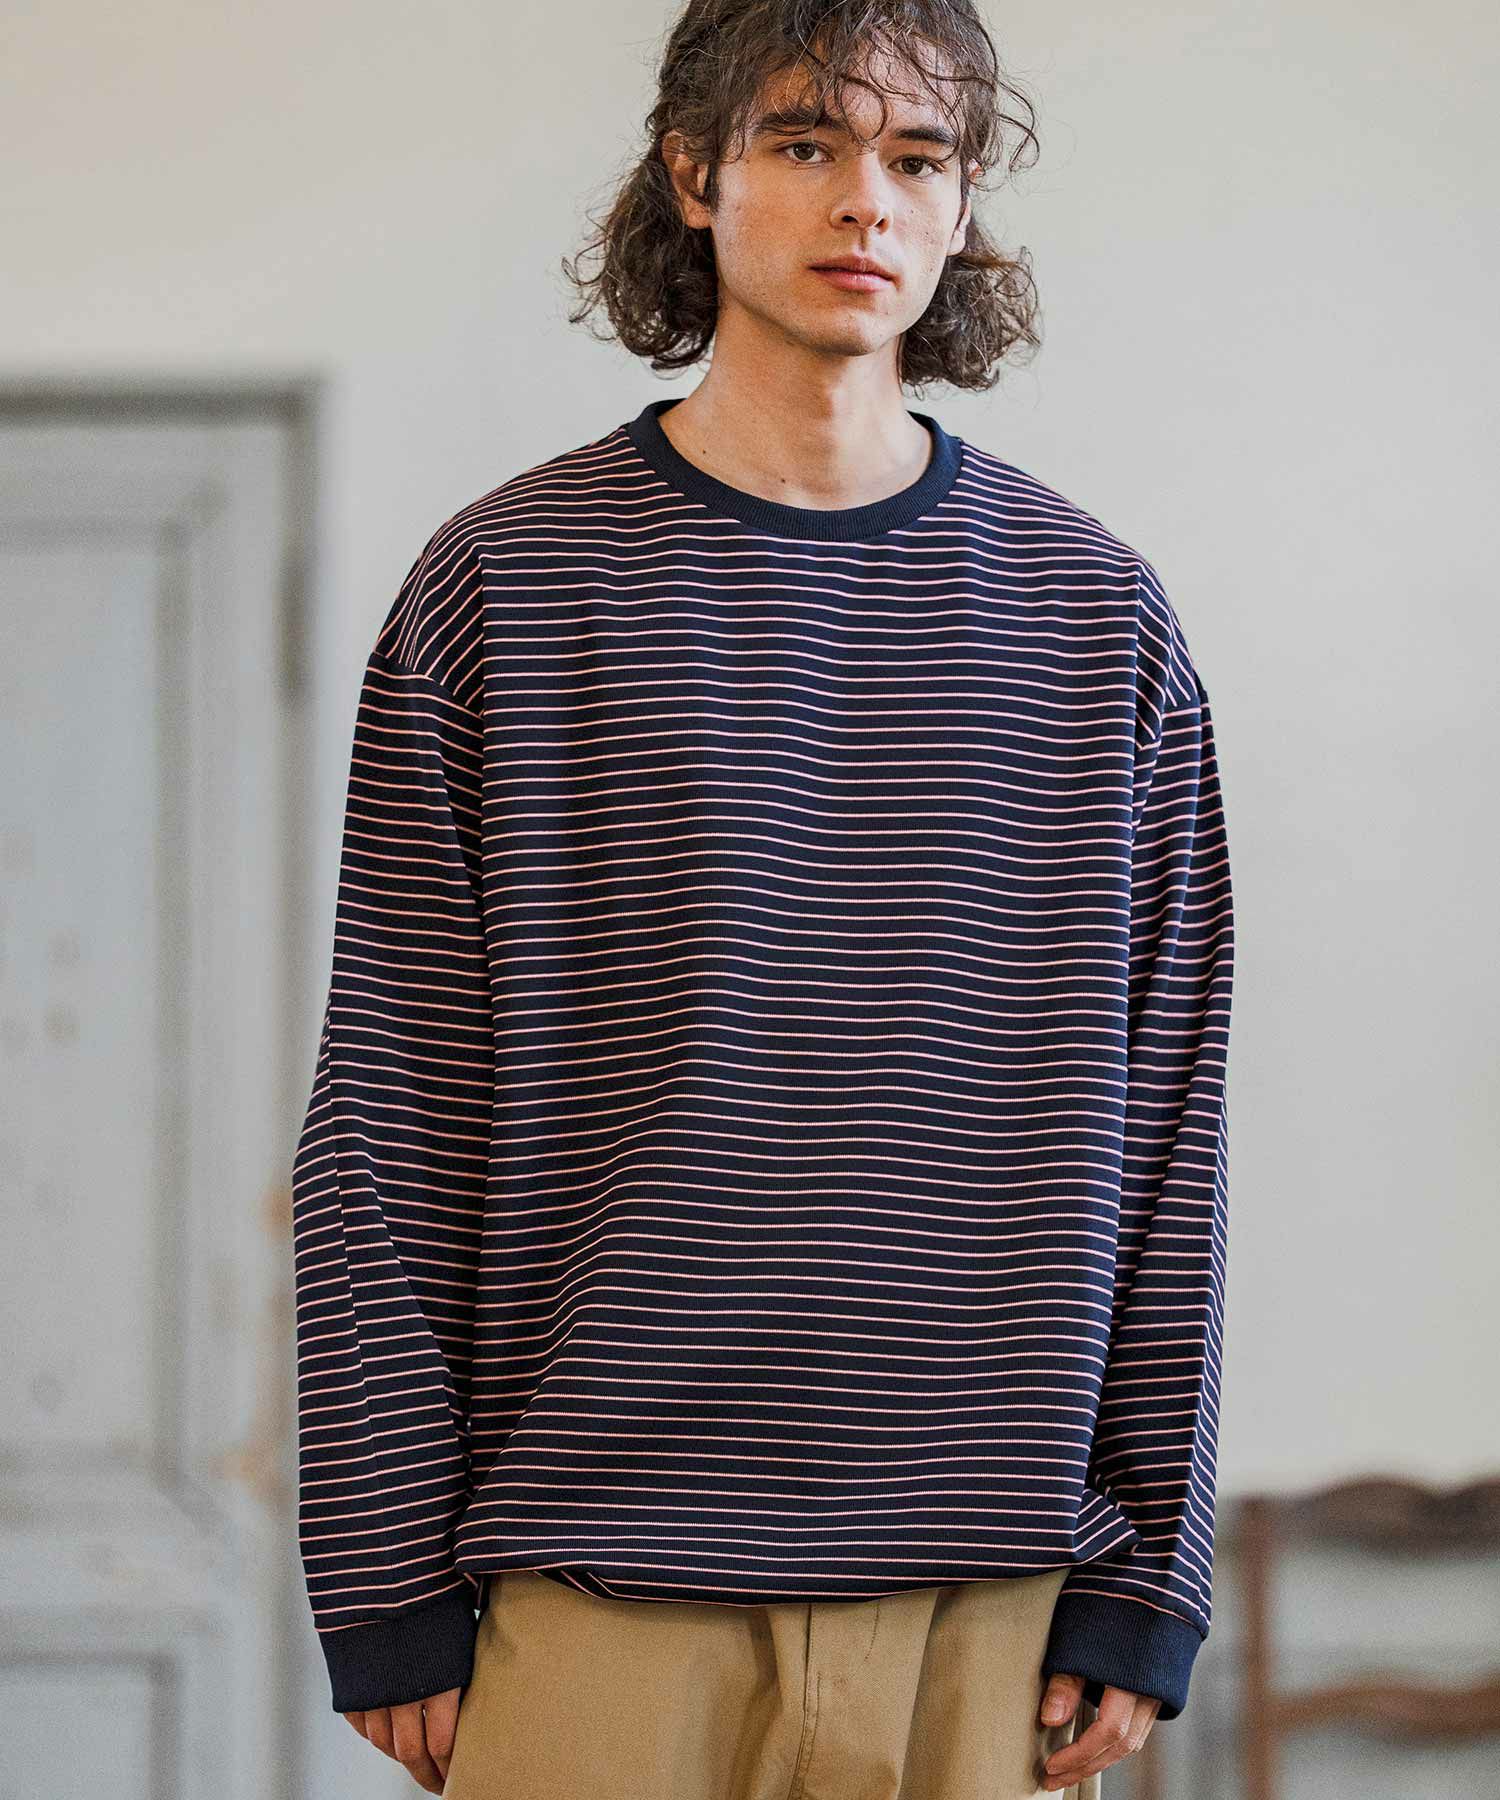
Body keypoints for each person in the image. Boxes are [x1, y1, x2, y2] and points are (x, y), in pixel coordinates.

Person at [289, 2, 1236, 1795]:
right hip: (599, 1587)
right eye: (806, 142)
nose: (866, 200)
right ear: (693, 176)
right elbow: (393, 1104)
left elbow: (1170, 1117)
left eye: (919, 156)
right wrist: (384, 1574)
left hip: (994, 1596)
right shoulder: (507, 586)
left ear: (962, 205)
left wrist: (1149, 1576)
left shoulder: (1093, 616)